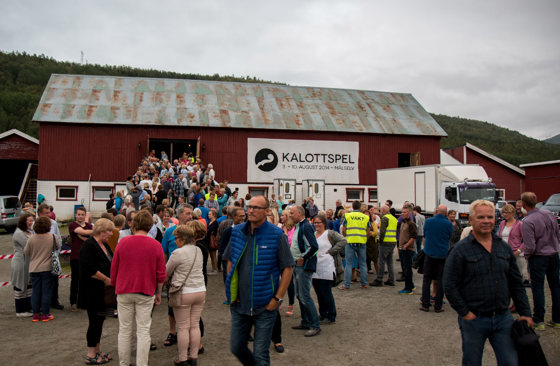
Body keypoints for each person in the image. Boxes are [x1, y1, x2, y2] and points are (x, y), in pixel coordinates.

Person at [443, 200, 533, 366]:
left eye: (490, 217)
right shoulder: (460, 250)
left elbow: (516, 283)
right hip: (474, 319)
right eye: (481, 217)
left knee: (510, 362)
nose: (486, 221)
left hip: (503, 318)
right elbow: (449, 285)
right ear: (471, 220)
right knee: (472, 362)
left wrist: (525, 313)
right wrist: (465, 313)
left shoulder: (503, 248)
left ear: (495, 219)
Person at [224, 195, 294, 365]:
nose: (251, 210)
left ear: (267, 211)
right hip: (240, 304)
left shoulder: (277, 235)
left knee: (261, 354)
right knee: (236, 347)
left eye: (256, 208)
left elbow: (288, 268)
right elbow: (230, 260)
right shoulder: (237, 231)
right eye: (249, 207)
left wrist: (277, 299)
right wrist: (233, 290)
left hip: (265, 306)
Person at [166, 217, 207, 366]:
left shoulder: (178, 253)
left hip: (184, 292)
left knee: (183, 327)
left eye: (176, 238)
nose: (175, 241)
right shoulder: (198, 250)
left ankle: (182, 358)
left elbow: (166, 272)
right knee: (194, 325)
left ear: (182, 239)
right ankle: (194, 356)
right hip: (200, 289)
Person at [521, 192, 560, 329]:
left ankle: (539, 319)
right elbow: (557, 233)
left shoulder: (527, 222)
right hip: (554, 254)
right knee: (555, 287)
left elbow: (530, 246)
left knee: (538, 288)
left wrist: (526, 255)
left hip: (538, 257)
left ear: (524, 204)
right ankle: (557, 319)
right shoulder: (549, 214)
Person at [79, 218, 115, 365]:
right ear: (100, 230)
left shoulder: (104, 245)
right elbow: (89, 269)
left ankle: (97, 350)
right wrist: (106, 279)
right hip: (92, 291)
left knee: (99, 321)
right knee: (94, 322)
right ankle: (90, 353)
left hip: (102, 292)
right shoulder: (89, 246)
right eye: (109, 231)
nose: (111, 234)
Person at [289, 205, 321, 336]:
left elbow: (314, 246)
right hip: (298, 265)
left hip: (303, 265)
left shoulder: (305, 227)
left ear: (299, 213)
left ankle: (315, 325)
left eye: (292, 213)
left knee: (305, 296)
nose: (290, 215)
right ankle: (306, 321)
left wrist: (303, 257)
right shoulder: (300, 226)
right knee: (299, 295)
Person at [23, 216, 60, 322]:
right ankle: (45, 313)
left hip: (34, 268)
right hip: (47, 267)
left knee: (35, 291)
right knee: (46, 291)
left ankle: (35, 314)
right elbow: (57, 247)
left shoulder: (31, 238)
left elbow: (26, 252)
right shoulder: (53, 237)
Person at [312, 214, 346, 324]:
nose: (316, 224)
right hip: (315, 268)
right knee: (319, 293)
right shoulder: (313, 234)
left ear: (324, 223)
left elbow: (343, 240)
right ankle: (322, 313)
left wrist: (332, 251)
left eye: (319, 222)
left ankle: (331, 315)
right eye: (315, 222)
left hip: (327, 267)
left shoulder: (329, 233)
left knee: (326, 292)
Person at [420, 205, 453, 312]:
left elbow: (425, 234)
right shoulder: (448, 224)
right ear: (446, 213)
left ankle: (425, 304)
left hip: (429, 253)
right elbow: (449, 237)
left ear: (436, 211)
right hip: (442, 254)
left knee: (426, 280)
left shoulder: (429, 221)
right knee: (441, 280)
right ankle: (438, 306)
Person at [37, 203, 63, 310]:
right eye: (46, 213)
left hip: (52, 256)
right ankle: (40, 302)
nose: (48, 215)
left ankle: (54, 300)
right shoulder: (35, 224)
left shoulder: (53, 224)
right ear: (39, 213)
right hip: (40, 257)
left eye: (49, 213)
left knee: (54, 279)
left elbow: (58, 238)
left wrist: (57, 251)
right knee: (41, 281)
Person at [341, 200, 372, 289]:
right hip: (361, 241)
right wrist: (365, 239)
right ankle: (364, 283)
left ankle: (347, 284)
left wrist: (346, 237)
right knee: (362, 264)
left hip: (350, 241)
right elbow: (368, 231)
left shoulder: (348, 216)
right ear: (360, 207)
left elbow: (343, 230)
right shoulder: (365, 217)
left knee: (349, 264)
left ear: (352, 206)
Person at [68, 206, 93, 312]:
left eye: (83, 215)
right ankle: (73, 302)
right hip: (76, 256)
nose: (80, 217)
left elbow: (90, 236)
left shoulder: (89, 225)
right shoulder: (72, 225)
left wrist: (84, 235)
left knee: (87, 280)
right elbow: (85, 233)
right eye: (79, 214)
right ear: (75, 215)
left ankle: (84, 301)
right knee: (75, 280)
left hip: (87, 257)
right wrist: (86, 234)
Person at [498, 204, 529, 287]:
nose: (504, 214)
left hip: (516, 253)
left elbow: (526, 240)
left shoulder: (520, 224)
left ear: (512, 213)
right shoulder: (502, 223)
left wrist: (518, 251)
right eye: (503, 213)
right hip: (503, 253)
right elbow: (499, 237)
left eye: (506, 212)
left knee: (516, 276)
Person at [11, 213, 34, 317]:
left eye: (32, 220)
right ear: (24, 221)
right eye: (29, 220)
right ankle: (20, 310)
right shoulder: (18, 233)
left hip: (28, 262)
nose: (31, 222)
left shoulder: (30, 231)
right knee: (20, 284)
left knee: (28, 285)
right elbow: (29, 245)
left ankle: (27, 307)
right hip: (20, 262)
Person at [370, 205, 397, 287]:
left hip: (385, 242)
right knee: (390, 261)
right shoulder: (393, 218)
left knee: (381, 261)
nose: (380, 212)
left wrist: (380, 241)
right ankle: (391, 279)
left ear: (383, 210)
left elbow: (382, 231)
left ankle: (379, 279)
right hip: (392, 241)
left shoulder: (385, 218)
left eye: (381, 210)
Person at [397, 205, 417, 294]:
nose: (402, 214)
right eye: (402, 212)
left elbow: (413, 237)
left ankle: (408, 288)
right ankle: (411, 285)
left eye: (404, 212)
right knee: (405, 268)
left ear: (409, 213)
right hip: (402, 248)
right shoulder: (403, 222)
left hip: (407, 249)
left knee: (407, 269)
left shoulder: (411, 224)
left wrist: (406, 246)